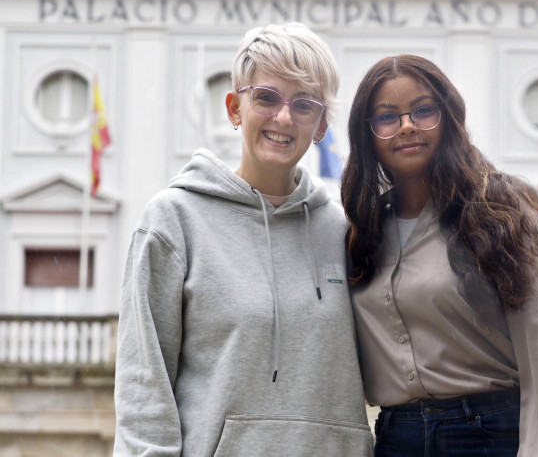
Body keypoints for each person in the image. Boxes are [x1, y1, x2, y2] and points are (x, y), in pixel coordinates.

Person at [113, 23, 373, 456]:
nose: (284, 117)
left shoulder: (343, 230)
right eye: (266, 98)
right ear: (235, 108)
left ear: (322, 123)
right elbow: (144, 384)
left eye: (304, 104)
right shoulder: (174, 220)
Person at [341, 54, 538, 456]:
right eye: (388, 117)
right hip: (396, 437)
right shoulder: (362, 232)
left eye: (423, 111)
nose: (407, 126)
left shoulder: (501, 214)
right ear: (367, 134)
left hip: (489, 434)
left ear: (448, 117)